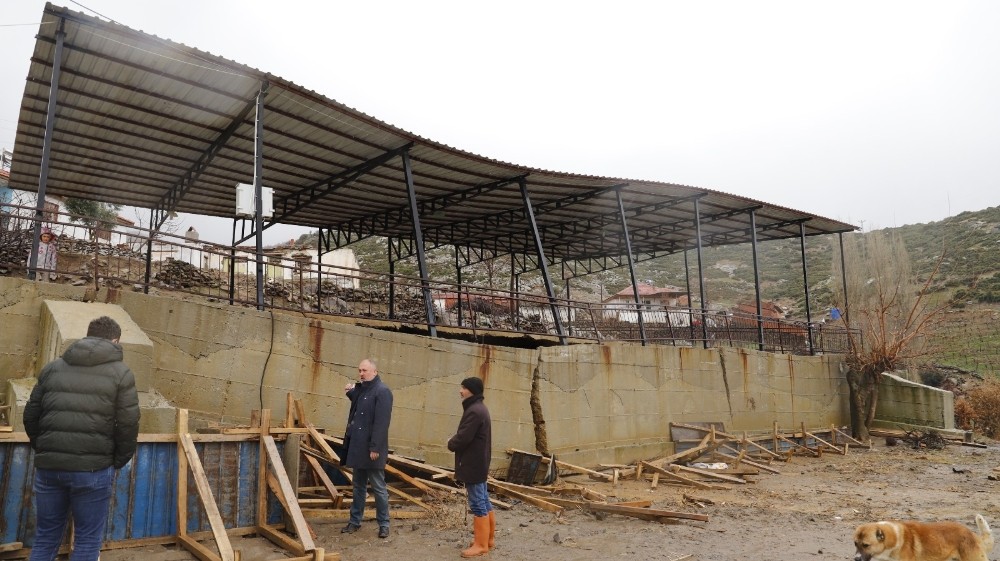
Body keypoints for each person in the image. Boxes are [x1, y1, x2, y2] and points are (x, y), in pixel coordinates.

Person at [23, 316, 140, 561]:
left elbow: (31, 415)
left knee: (46, 537)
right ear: (115, 340)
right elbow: (128, 424)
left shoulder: (53, 368)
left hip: (49, 467)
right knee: (87, 541)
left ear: (87, 336)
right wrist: (116, 460)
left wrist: (45, 450)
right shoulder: (121, 373)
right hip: (93, 470)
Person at [341, 358, 393, 539]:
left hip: (372, 449)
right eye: (359, 370)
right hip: (358, 447)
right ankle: (354, 521)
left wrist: (375, 447)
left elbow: (381, 422)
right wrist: (350, 393)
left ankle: (384, 524)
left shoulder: (383, 391)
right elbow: (360, 406)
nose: (361, 373)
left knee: (378, 487)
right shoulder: (362, 390)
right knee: (358, 487)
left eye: (364, 370)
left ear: (374, 372)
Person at [447, 376, 494, 558]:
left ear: (472, 390)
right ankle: (488, 540)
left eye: (464, 388)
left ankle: (481, 545)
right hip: (479, 462)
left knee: (477, 503)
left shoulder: (474, 411)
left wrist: (450, 443)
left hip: (473, 464)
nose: (460, 390)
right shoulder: (480, 408)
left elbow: (464, 437)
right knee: (483, 500)